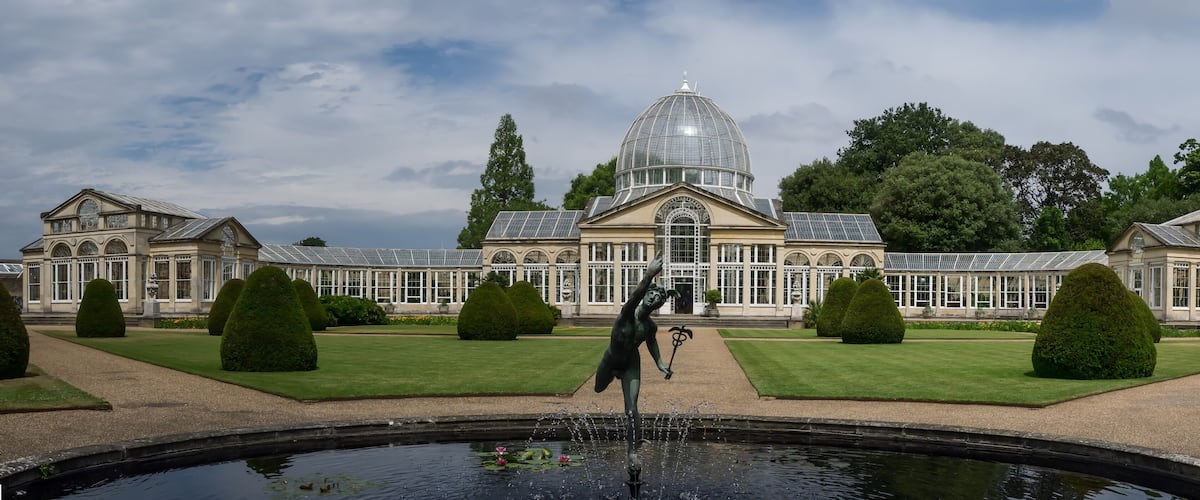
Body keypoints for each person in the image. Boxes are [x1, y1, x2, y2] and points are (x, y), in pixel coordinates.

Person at [593, 250, 678, 471]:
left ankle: (632, 452)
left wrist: (660, 364)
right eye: (652, 295)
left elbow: (651, 342)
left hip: (631, 362)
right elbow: (634, 297)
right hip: (611, 360)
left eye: (659, 300)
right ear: (646, 294)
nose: (654, 300)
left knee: (632, 408)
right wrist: (649, 275)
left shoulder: (650, 326)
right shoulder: (627, 314)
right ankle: (610, 377)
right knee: (598, 388)